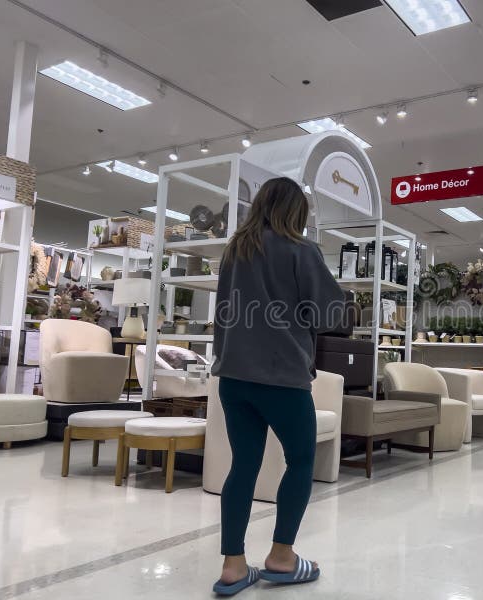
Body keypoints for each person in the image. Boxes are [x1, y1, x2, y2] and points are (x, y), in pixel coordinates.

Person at [210, 177, 345, 596]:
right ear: (296, 211)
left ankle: (233, 567)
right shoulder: (301, 250)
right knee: (301, 460)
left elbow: (222, 314)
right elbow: (330, 314)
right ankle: (281, 557)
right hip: (283, 378)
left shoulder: (235, 250)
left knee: (243, 466)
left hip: (234, 377)